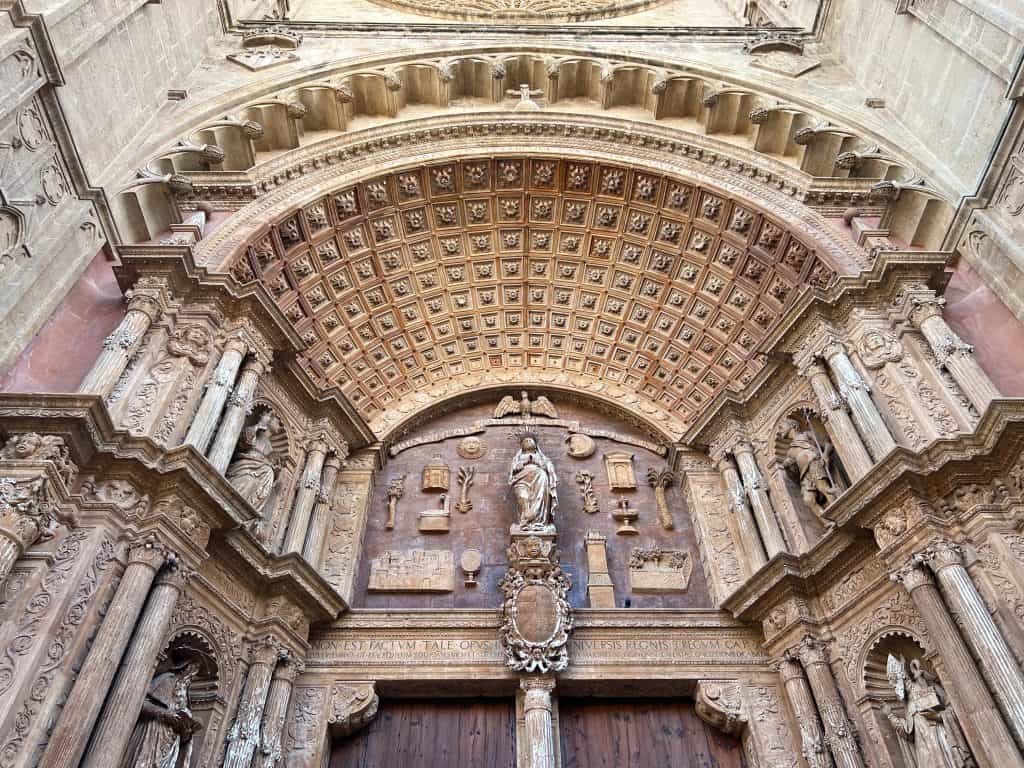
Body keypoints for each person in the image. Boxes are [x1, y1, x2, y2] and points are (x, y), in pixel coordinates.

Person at [885, 655, 975, 768]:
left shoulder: (930, 686)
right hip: (925, 749)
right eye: (900, 682)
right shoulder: (909, 706)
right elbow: (909, 734)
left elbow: (955, 709)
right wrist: (890, 715)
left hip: (942, 737)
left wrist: (939, 716)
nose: (904, 683)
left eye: (904, 679)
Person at [509, 434, 558, 528]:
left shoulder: (542, 457)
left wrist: (538, 462)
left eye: (530, 440)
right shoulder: (518, 458)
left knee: (539, 498)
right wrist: (523, 463)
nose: (528, 442)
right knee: (523, 497)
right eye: (525, 441)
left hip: (540, 478)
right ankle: (525, 521)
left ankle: (537, 523)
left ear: (535, 444)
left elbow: (549, 468)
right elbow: (513, 470)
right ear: (521, 445)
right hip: (521, 479)